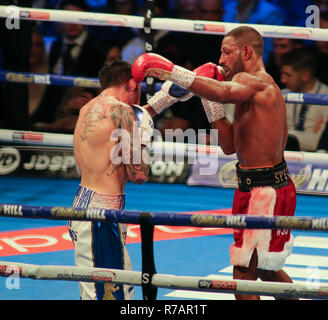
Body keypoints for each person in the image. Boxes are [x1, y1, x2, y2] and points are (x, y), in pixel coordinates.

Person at [132, 25, 297, 300]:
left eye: (226, 52)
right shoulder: (248, 89)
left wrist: (171, 70)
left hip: (264, 192)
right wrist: (210, 102)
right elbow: (229, 145)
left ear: (246, 51)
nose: (221, 60)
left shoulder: (257, 82)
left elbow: (221, 92)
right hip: (260, 186)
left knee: (242, 279)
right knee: (267, 272)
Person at [69, 60, 153, 300]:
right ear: (132, 84)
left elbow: (130, 120)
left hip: (84, 204)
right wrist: (144, 139)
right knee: (110, 297)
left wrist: (163, 101)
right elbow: (138, 173)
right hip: (101, 217)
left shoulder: (88, 109)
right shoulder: (123, 112)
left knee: (112, 292)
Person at [280, 48, 328, 152]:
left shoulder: (325, 96)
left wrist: (285, 134)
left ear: (305, 76)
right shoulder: (280, 94)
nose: (282, 80)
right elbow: (271, 135)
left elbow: (318, 142)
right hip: (282, 155)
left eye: (288, 75)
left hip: (315, 160)